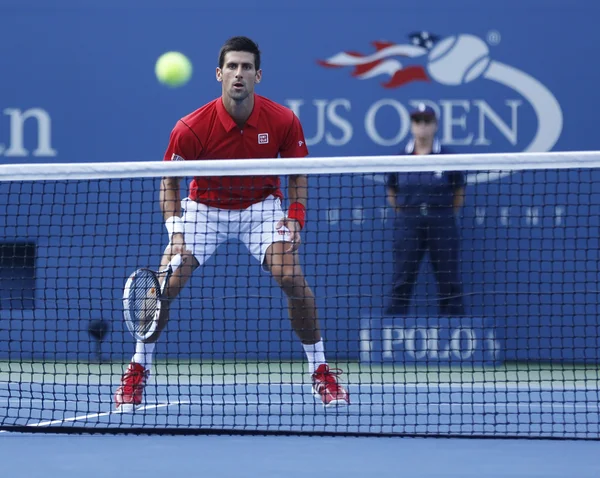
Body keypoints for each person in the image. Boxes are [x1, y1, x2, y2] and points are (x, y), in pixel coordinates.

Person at [114, 36, 349, 409]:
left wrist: (295, 218)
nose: (239, 74)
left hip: (261, 208)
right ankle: (137, 369)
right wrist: (176, 232)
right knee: (165, 283)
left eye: (246, 67)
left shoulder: (283, 120)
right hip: (205, 210)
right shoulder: (190, 128)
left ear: (258, 75)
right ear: (219, 74)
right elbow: (168, 182)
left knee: (291, 277)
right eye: (232, 67)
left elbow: (298, 174)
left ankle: (320, 371)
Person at [384, 103, 466, 317]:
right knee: (402, 277)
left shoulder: (448, 157)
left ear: (435, 125)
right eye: (417, 121)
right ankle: (394, 327)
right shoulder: (400, 158)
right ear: (411, 125)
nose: (422, 126)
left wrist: (441, 213)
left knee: (448, 277)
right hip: (408, 221)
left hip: (442, 220)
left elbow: (458, 192)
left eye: (426, 121)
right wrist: (408, 212)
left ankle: (452, 326)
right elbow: (392, 190)